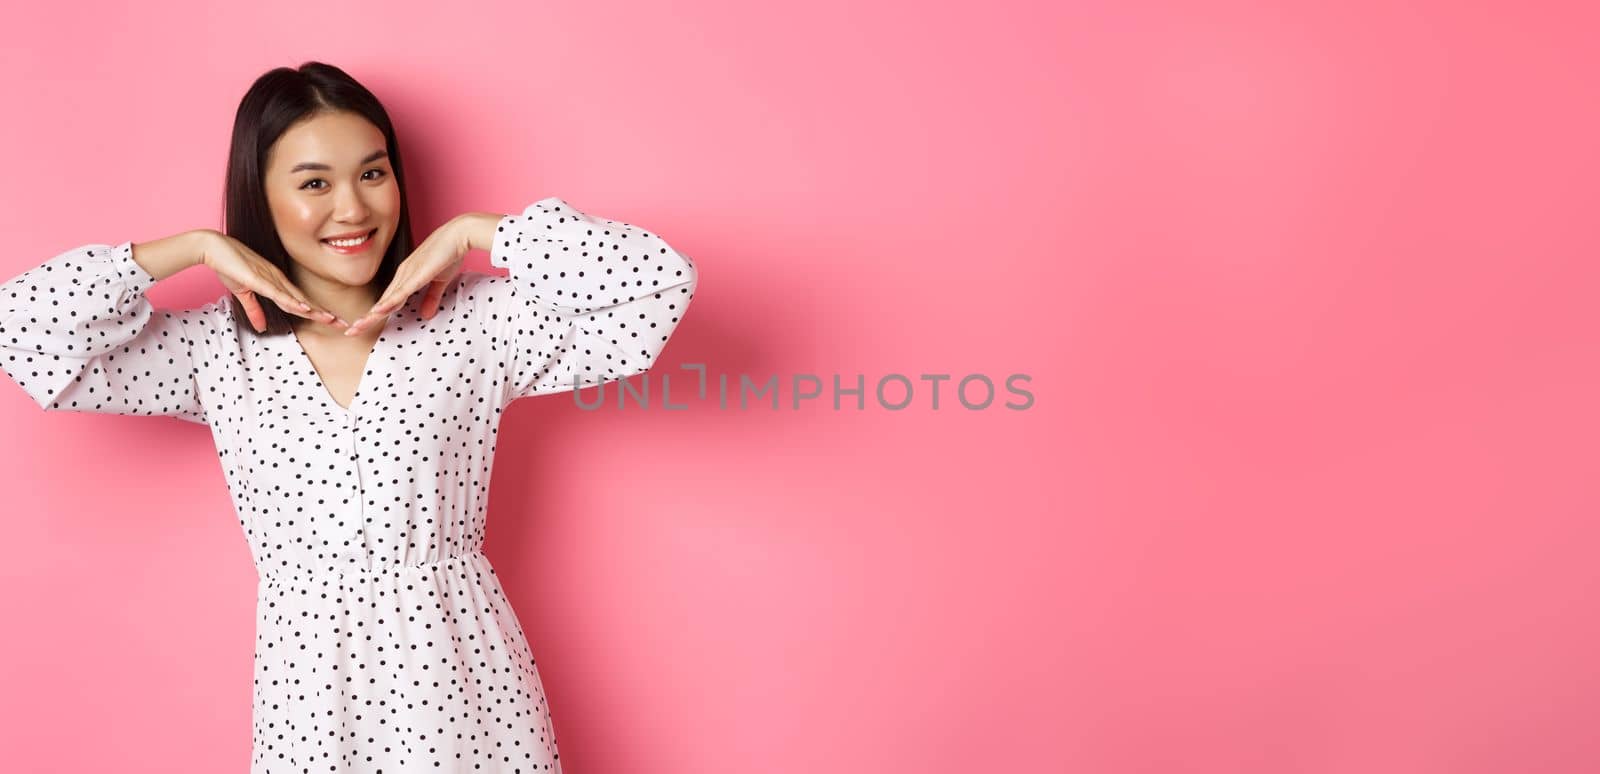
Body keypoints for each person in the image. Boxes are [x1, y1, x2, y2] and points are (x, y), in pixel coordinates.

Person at [0, 61, 698, 772]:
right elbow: (23, 334)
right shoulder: (213, 350)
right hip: (309, 702)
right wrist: (195, 248)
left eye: (372, 173)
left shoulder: (478, 323)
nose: (353, 210)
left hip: (464, 687)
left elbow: (657, 284)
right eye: (313, 183)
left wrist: (473, 233)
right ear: (260, 197)